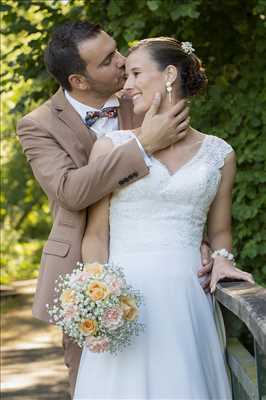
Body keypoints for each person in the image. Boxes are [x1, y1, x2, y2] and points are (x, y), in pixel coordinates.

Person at [16, 22, 213, 396]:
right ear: (79, 80)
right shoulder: (37, 125)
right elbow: (70, 191)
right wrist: (141, 148)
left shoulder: (143, 95)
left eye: (118, 49)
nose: (123, 62)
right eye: (108, 60)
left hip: (167, 277)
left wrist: (203, 243)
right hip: (86, 279)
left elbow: (185, 174)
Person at [74, 37, 254, 399]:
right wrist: (98, 297)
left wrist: (221, 258)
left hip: (188, 302)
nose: (126, 86)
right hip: (123, 304)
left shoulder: (220, 153)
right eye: (125, 76)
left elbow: (220, 231)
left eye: (136, 73)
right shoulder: (111, 146)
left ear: (170, 75)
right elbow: (95, 235)